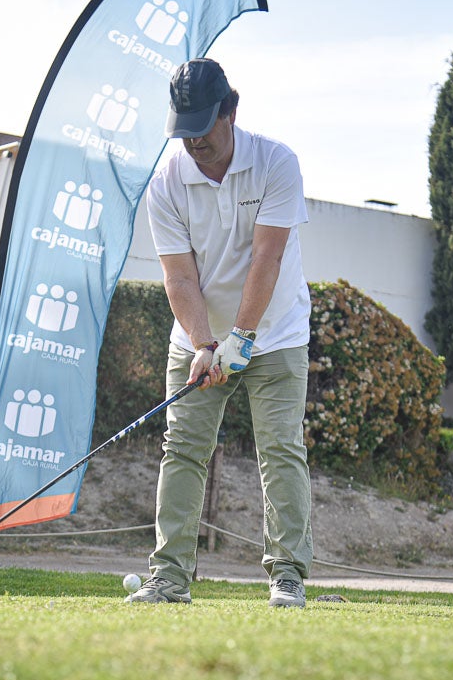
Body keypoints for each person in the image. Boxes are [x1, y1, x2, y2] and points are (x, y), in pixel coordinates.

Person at [125, 58, 313, 608]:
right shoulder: (167, 183)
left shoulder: (277, 162)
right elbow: (179, 276)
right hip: (199, 339)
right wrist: (207, 344)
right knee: (182, 448)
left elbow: (266, 259)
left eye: (203, 127)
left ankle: (287, 576)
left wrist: (242, 338)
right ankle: (169, 579)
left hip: (275, 333)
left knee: (280, 448)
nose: (194, 142)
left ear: (231, 111)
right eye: (183, 131)